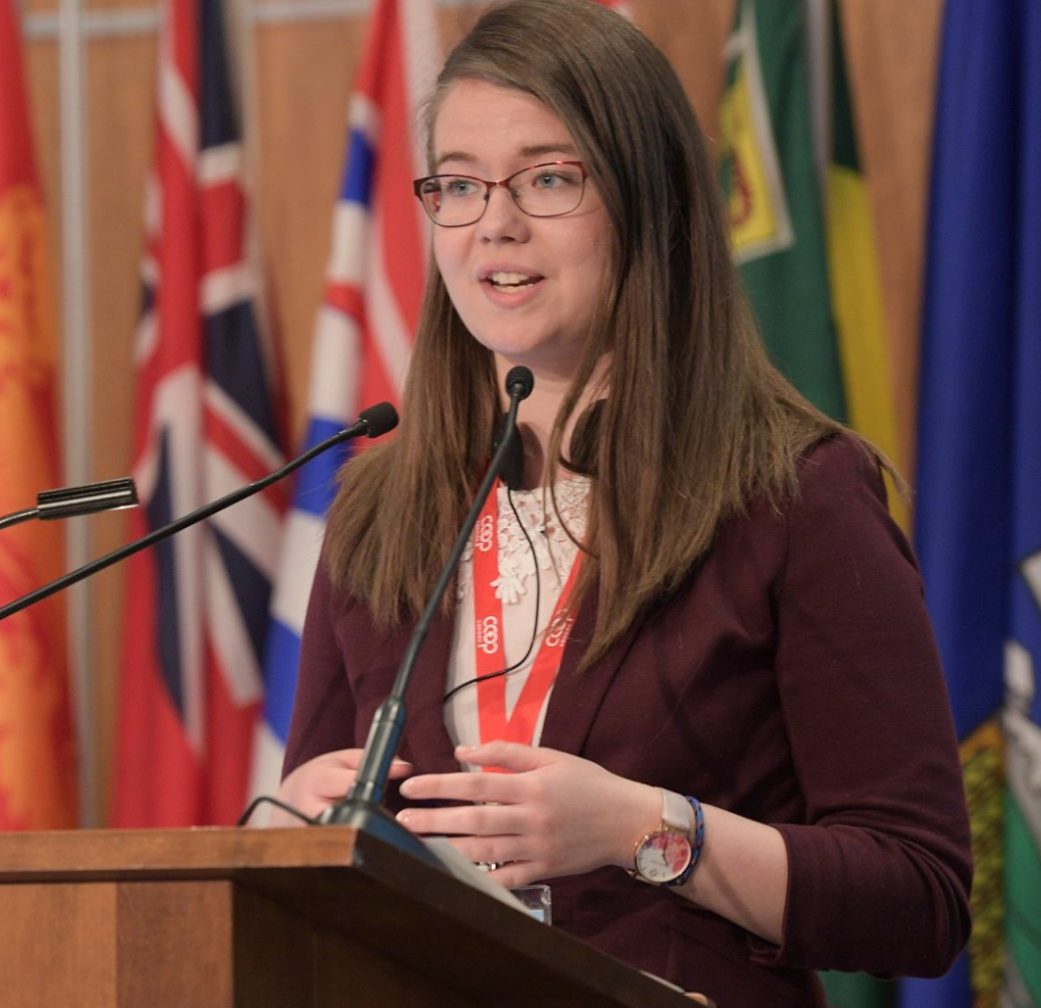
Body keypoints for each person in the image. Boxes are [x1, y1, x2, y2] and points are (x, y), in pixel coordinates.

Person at [275, 0, 972, 1002]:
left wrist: (643, 829)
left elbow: (918, 896)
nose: (495, 223)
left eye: (549, 178)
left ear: (649, 203)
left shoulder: (793, 495)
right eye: (460, 184)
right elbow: (325, 870)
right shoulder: (381, 508)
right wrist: (303, 822)